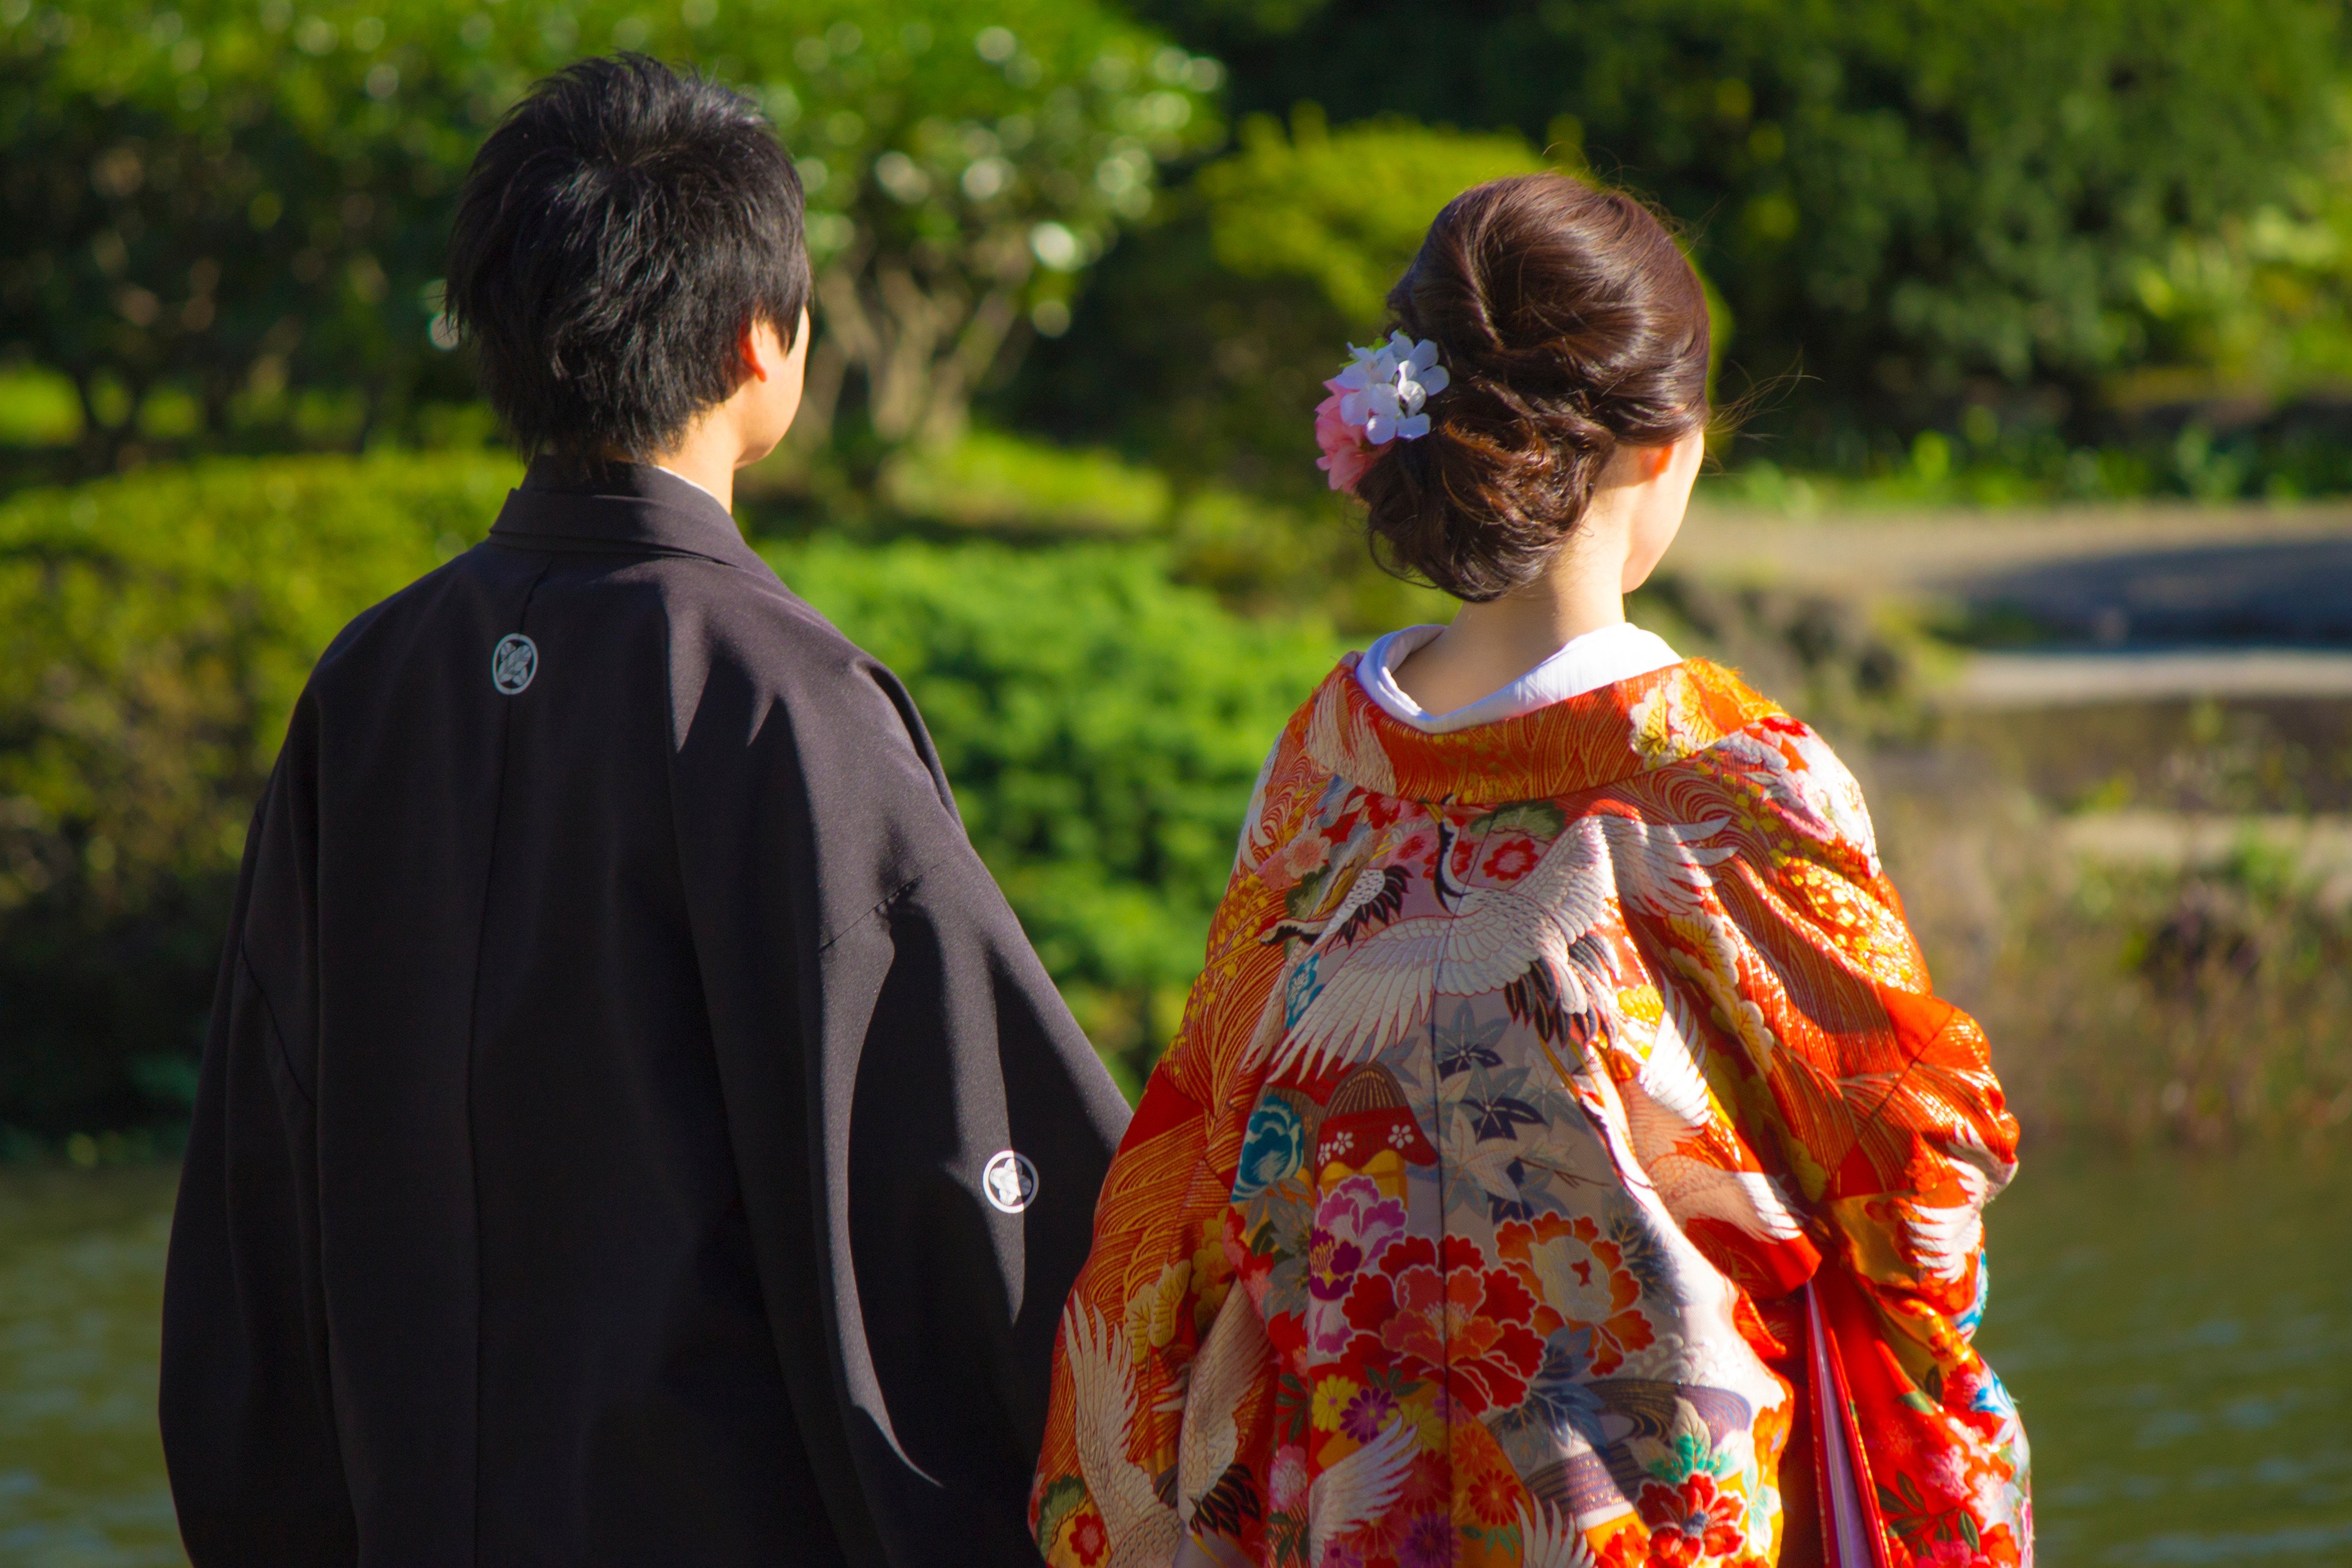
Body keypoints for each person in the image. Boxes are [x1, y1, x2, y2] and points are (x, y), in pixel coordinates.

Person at [160, 54, 1129, 1567]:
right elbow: (967, 1174)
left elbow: (257, 1178)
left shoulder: (370, 682)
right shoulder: (782, 698)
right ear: (765, 345)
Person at [1029, 173, 2030, 1568]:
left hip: (1352, 1504)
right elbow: (1914, 1167)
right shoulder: (1725, 777)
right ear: (1661, 447)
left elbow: (1206, 1142)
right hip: (1640, 1525)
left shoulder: (1324, 761)